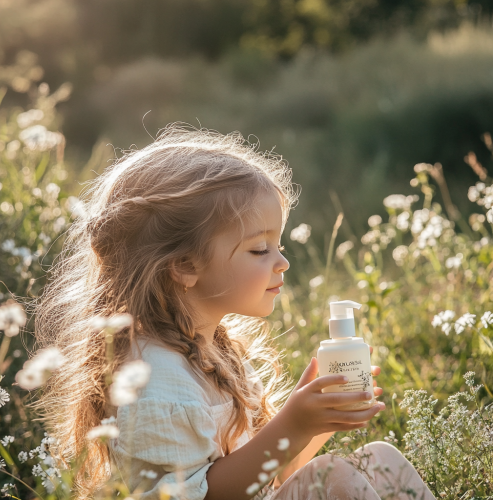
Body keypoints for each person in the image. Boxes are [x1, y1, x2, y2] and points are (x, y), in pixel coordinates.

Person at [34, 124, 436, 500]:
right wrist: (292, 424)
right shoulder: (154, 377)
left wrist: (316, 423)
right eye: (260, 250)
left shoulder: (214, 351)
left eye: (278, 246)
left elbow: (275, 474)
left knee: (379, 459)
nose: (282, 263)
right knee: (333, 475)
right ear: (185, 265)